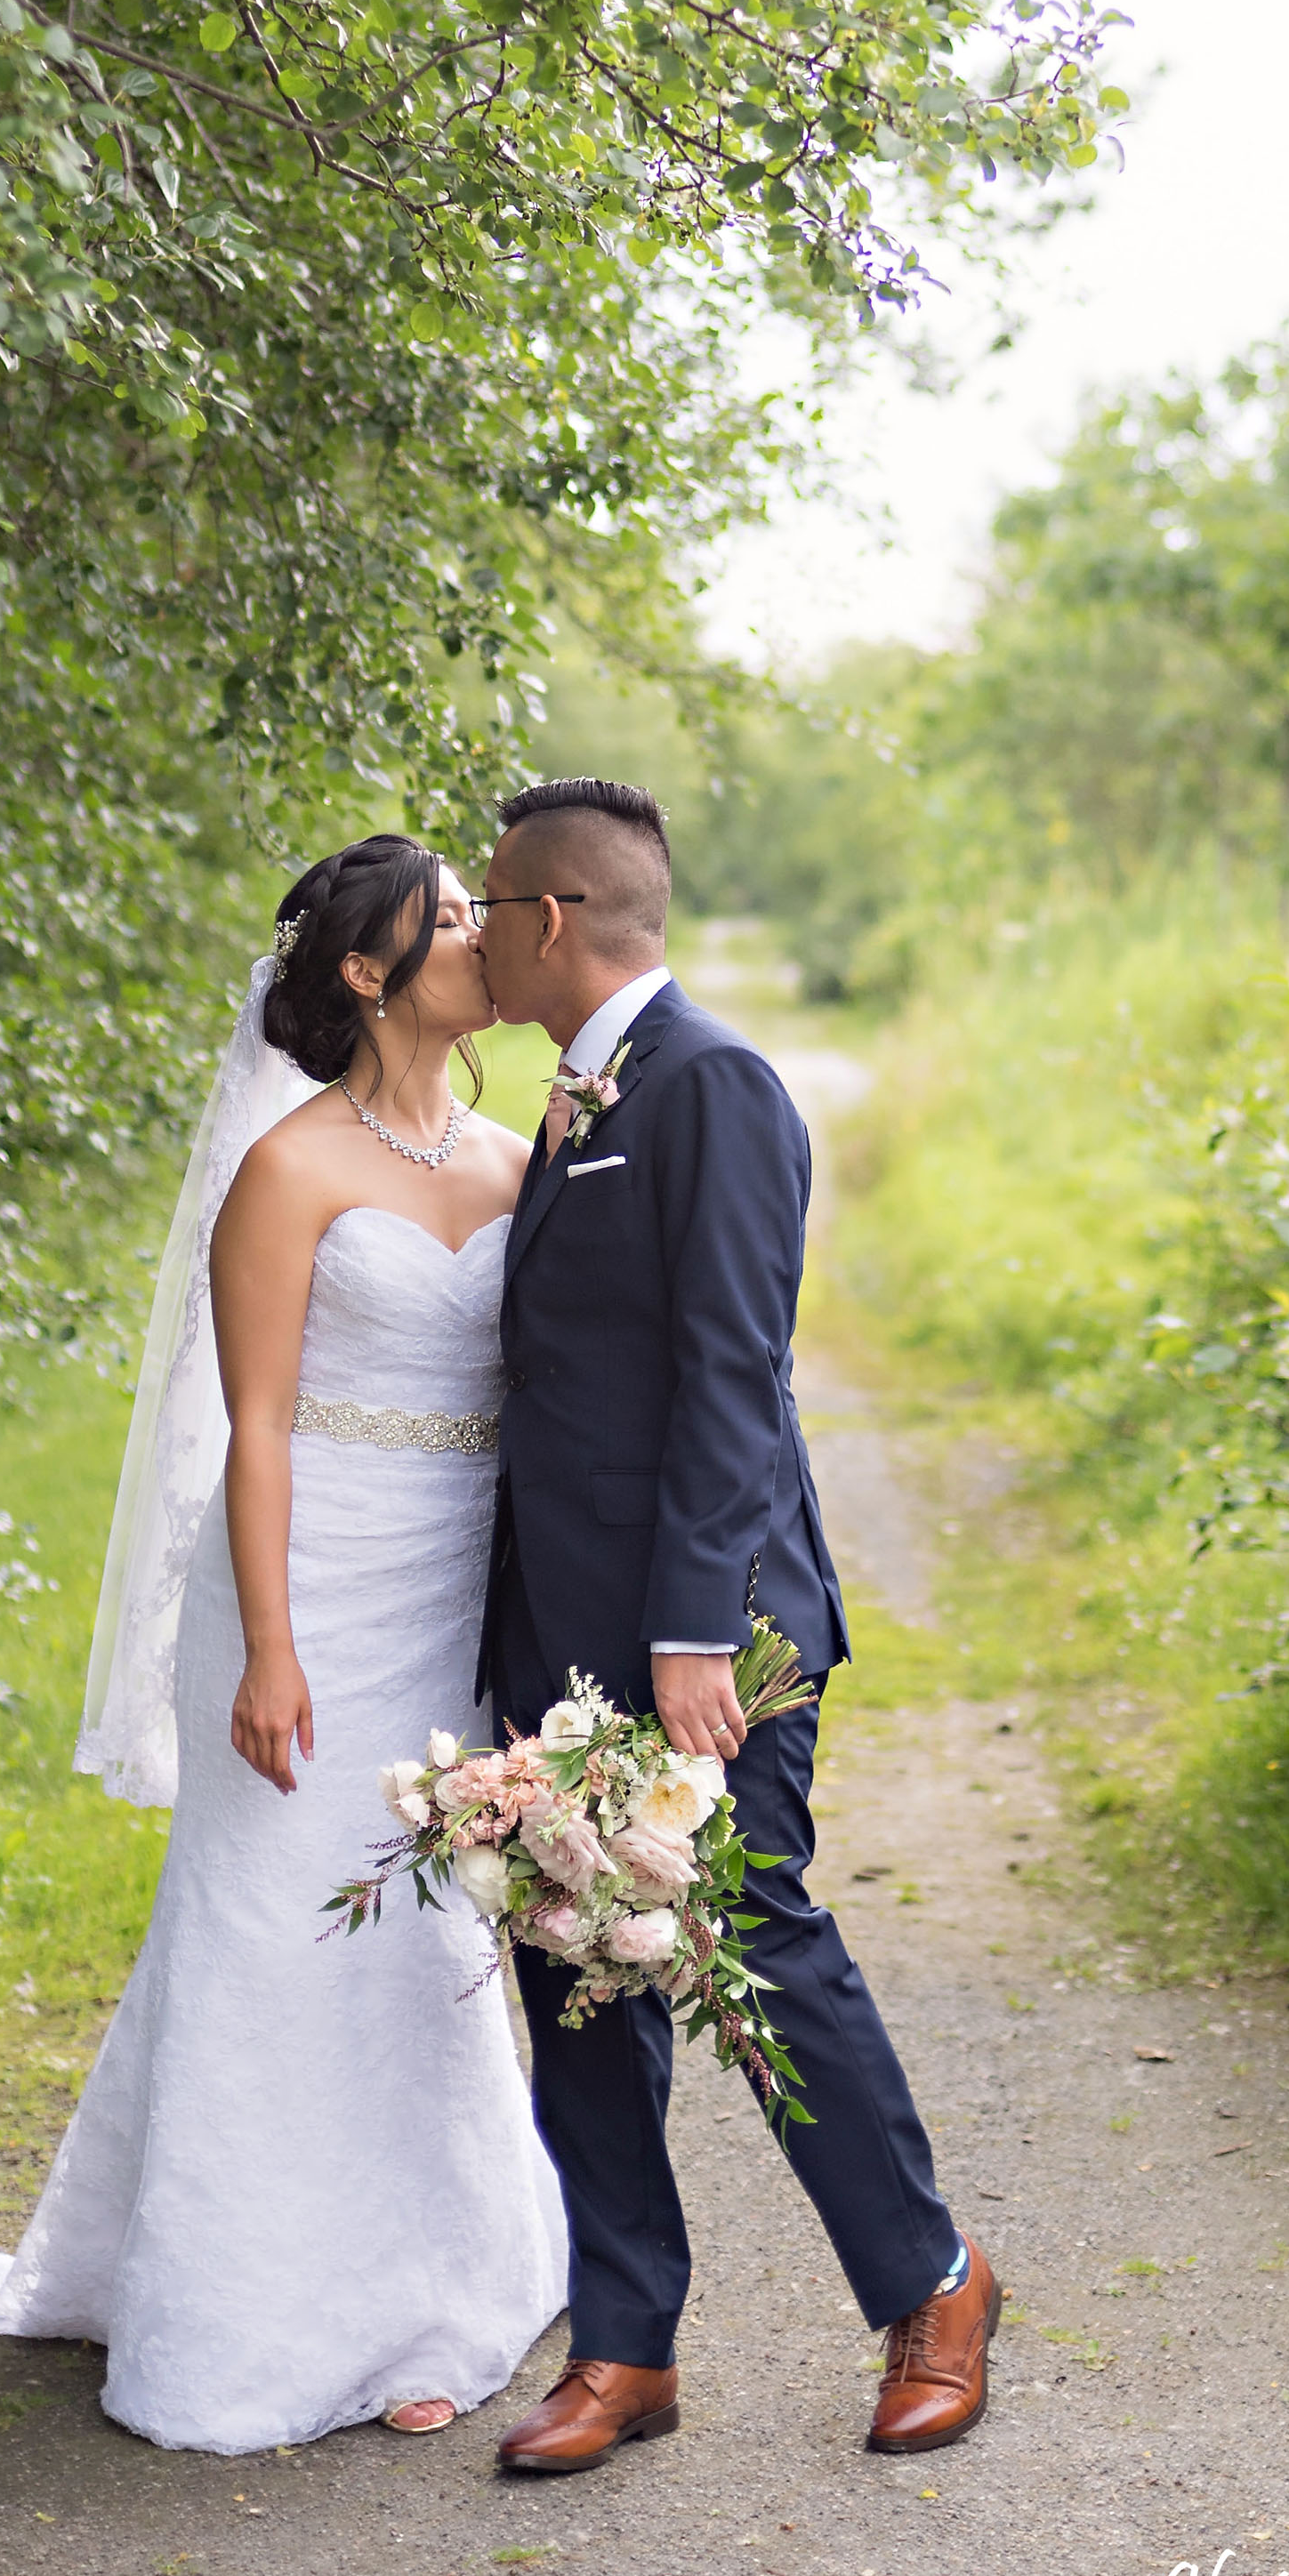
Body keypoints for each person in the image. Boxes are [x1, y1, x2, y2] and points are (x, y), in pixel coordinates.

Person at [0, 836, 568, 2450]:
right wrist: (267, 1651)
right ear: (368, 973)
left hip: (447, 1589)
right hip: (302, 1578)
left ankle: (425, 2289)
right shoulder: (285, 1172)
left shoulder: (520, 1158)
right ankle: (256, 2305)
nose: (479, 937)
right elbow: (261, 1425)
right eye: (445, 924)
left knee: (422, 1916)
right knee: (277, 1910)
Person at [469, 773, 997, 2470]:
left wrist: (696, 1628)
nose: (471, 931)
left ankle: (933, 2281)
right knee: (579, 1966)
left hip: (718, 1631)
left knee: (750, 1937)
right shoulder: (566, 1098)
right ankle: (625, 2346)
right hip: (554, 1623)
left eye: (489, 906)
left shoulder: (714, 1088)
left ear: (553, 919)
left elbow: (731, 1377)